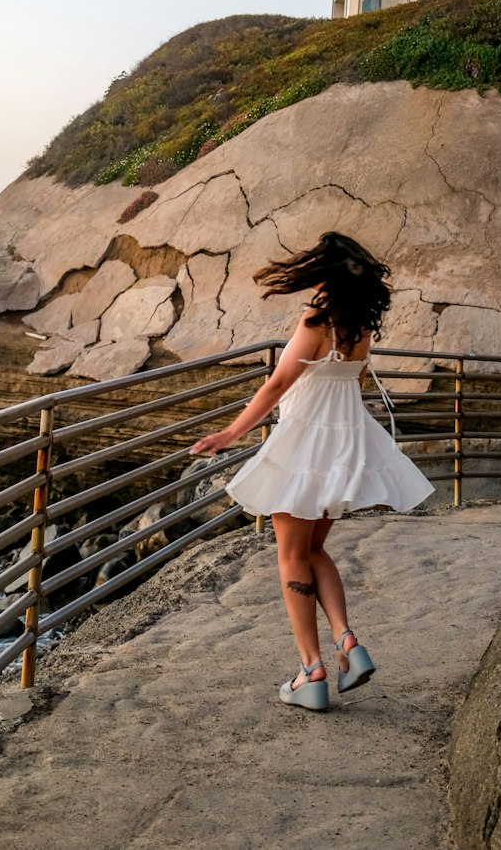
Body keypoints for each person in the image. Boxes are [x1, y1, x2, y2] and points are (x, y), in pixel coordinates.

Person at [190, 232, 434, 712]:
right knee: (314, 548)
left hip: (306, 444)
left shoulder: (317, 321)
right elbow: (354, 379)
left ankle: (311, 671)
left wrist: (230, 434)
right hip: (344, 442)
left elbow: (279, 383)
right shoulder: (360, 326)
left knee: (290, 557)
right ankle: (348, 643)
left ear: (328, 273)